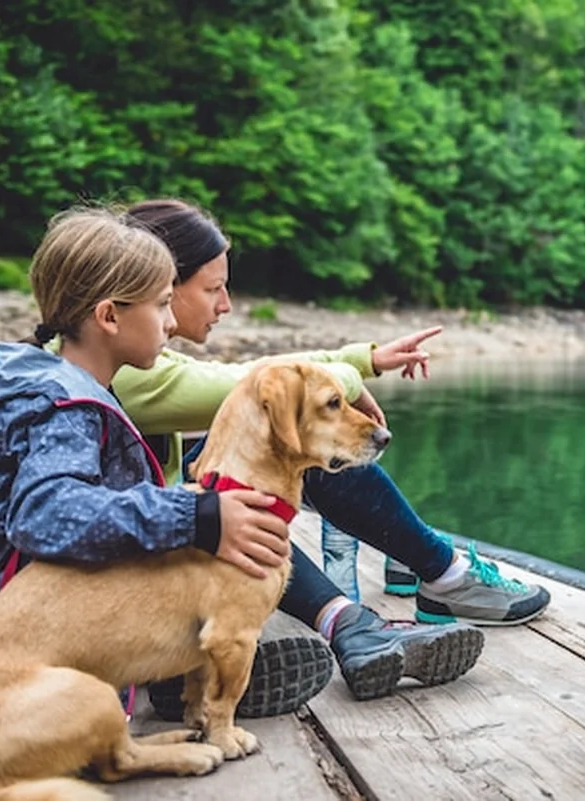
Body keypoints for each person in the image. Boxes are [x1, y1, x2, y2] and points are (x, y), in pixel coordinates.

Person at [0, 207, 484, 718]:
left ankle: (194, 656)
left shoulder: (54, 377)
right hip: (12, 630)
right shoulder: (63, 407)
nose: (172, 321)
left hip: (11, 605)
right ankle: (183, 667)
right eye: (164, 303)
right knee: (211, 509)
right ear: (110, 316)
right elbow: (45, 514)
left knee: (212, 503)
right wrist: (196, 518)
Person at [114, 199, 551, 719]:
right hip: (135, 571)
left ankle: (375, 609)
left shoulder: (126, 359)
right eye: (212, 289)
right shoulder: (129, 372)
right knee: (274, 455)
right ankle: (414, 591)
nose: (226, 305)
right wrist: (354, 370)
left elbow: (258, 381)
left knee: (296, 448)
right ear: (147, 288)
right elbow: (256, 385)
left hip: (151, 542)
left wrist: (356, 366)